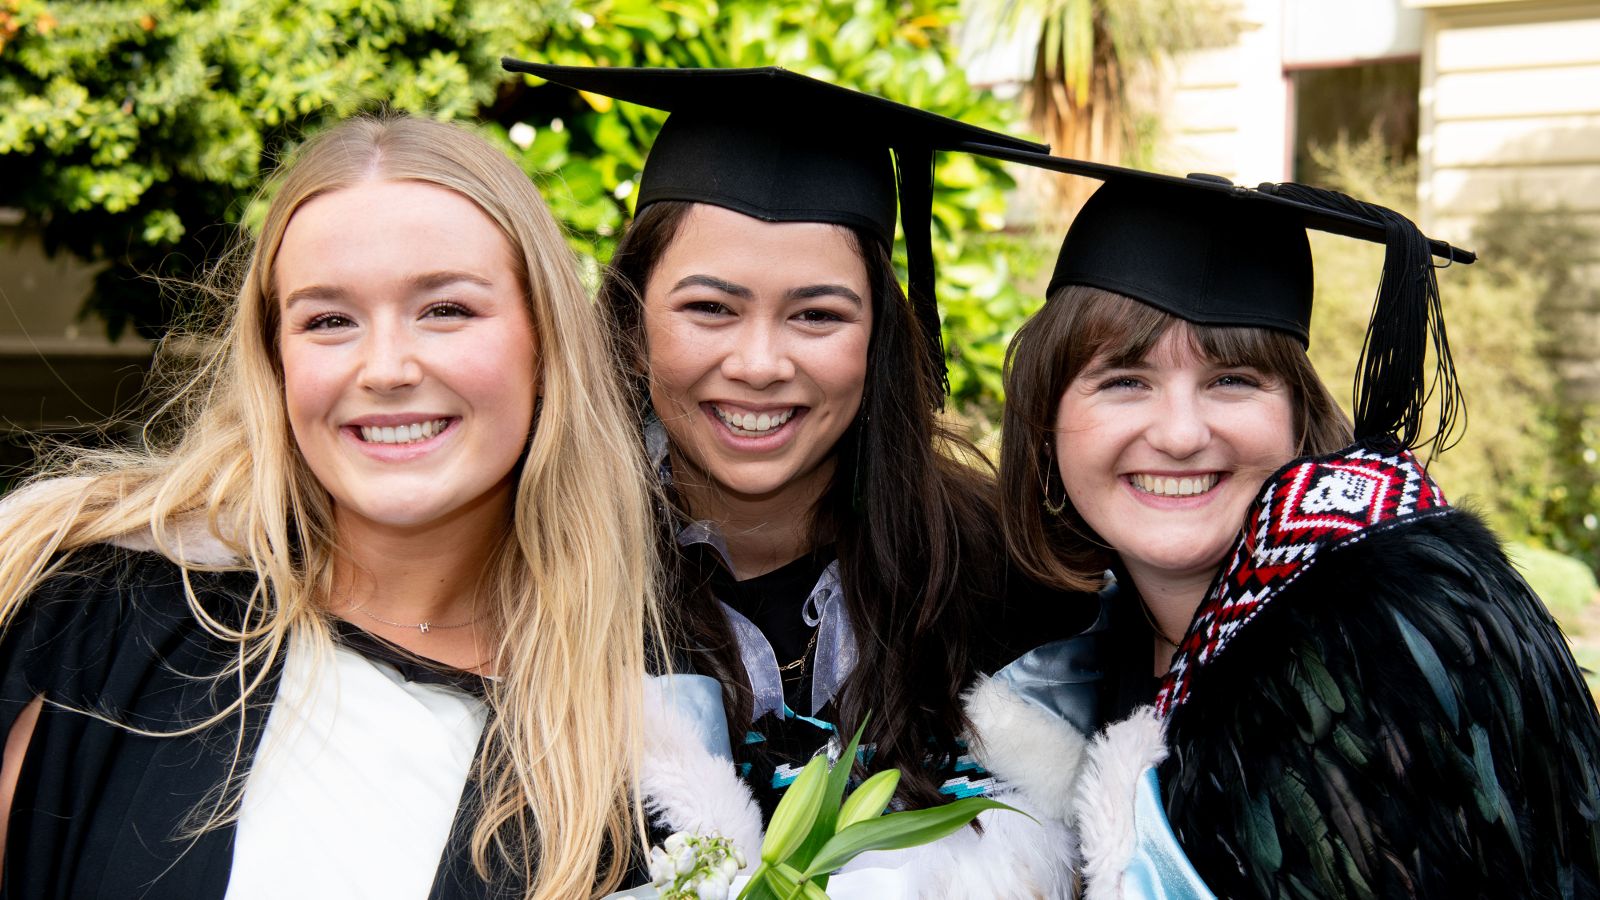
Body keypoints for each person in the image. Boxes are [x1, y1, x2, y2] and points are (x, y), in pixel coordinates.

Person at [0, 114, 661, 899]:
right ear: (276, 364)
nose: (385, 367)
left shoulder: (632, 753)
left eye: (445, 309)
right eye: (329, 321)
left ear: (545, 346)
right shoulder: (106, 626)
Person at [505, 61, 1102, 896]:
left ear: (878, 340)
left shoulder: (1000, 584)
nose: (759, 363)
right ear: (634, 323)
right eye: (709, 308)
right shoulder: (533, 574)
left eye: (818, 314)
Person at [993, 160, 1600, 899]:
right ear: (1047, 425)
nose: (1181, 434)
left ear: (1297, 417)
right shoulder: (1064, 645)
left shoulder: (1383, 648)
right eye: (1125, 380)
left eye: (1232, 380)